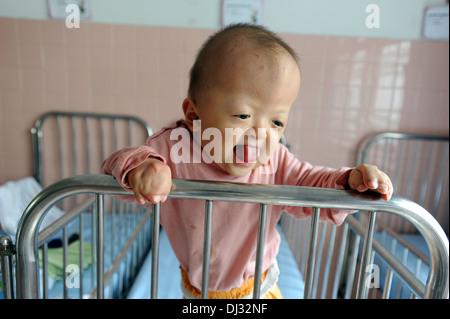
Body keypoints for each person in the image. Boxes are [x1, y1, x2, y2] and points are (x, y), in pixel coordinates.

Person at [101, 23, 393, 299]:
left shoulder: (274, 161)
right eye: (243, 115)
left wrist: (349, 181)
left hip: (259, 288)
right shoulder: (173, 148)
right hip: (194, 289)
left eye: (277, 122)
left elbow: (311, 183)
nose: (261, 132)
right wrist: (143, 167)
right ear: (193, 116)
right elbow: (115, 163)